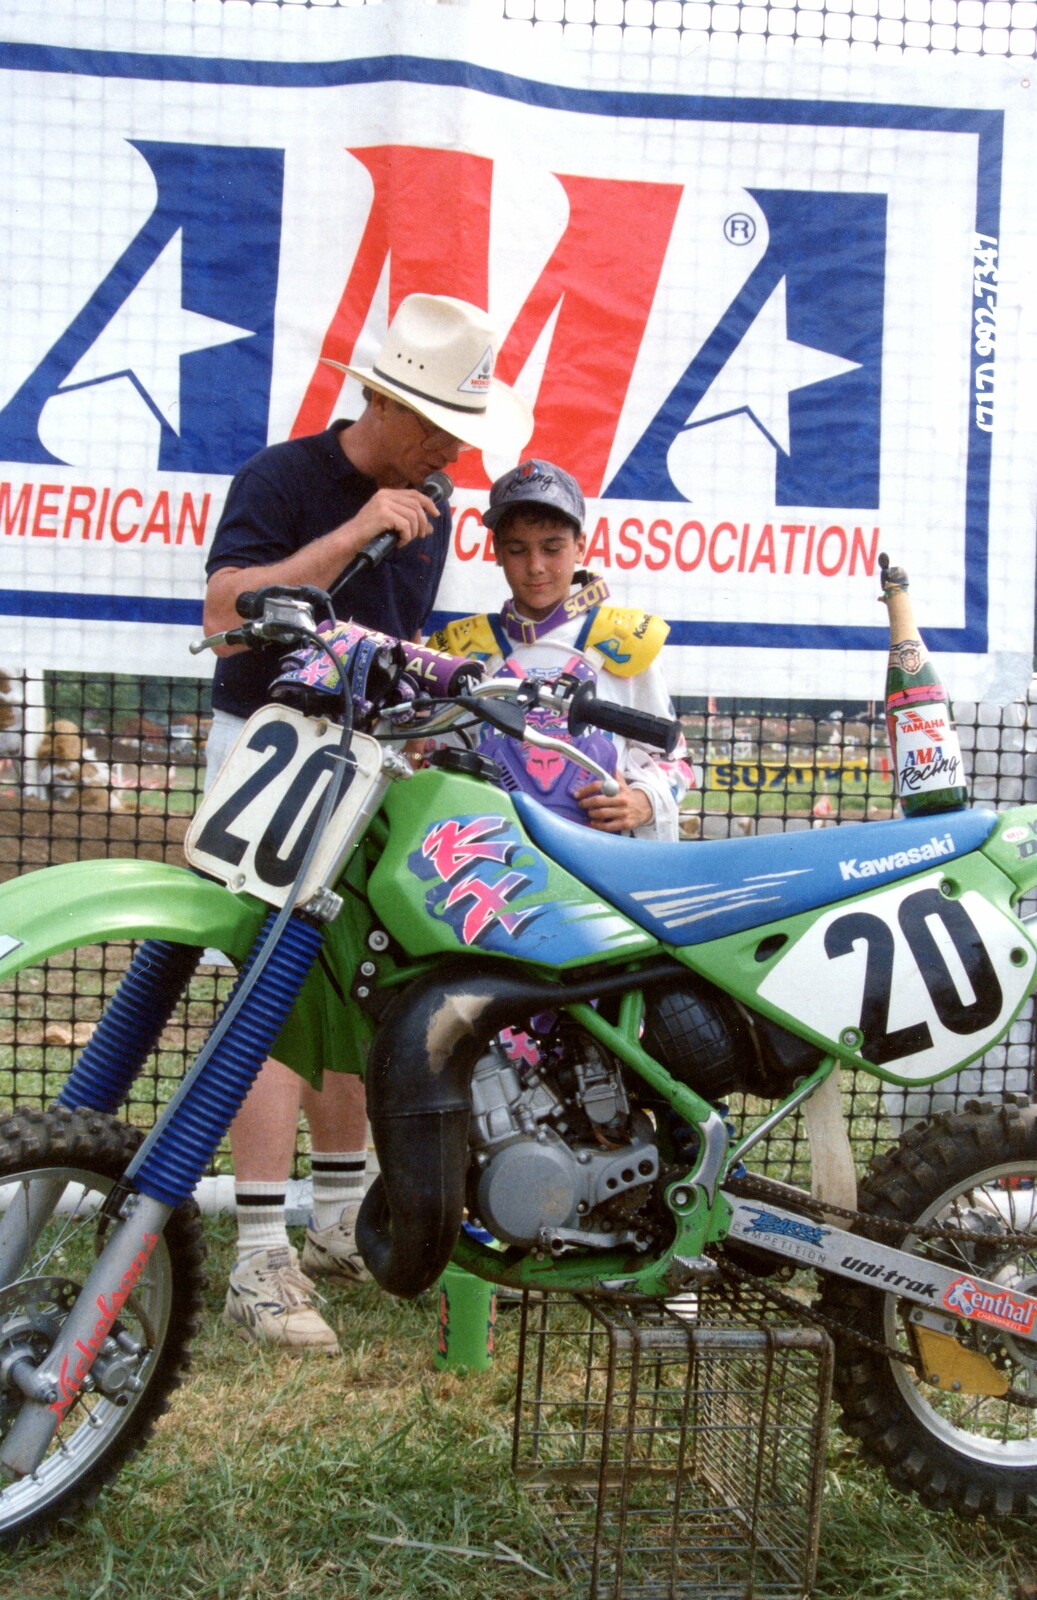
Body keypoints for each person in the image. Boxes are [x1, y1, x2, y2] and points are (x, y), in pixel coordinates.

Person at [201, 294, 533, 1352]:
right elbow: (223, 617)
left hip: (366, 770)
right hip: (269, 757)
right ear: (381, 397)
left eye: (458, 431)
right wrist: (351, 531)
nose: (448, 449)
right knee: (266, 997)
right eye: (435, 421)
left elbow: (380, 644)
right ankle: (257, 1250)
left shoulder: (427, 501)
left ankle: (339, 1211)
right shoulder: (285, 480)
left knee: (357, 986)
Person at [428, 458, 690, 840]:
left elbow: (677, 761)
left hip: (599, 860)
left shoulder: (625, 641)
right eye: (518, 550)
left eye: (552, 548)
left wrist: (643, 801)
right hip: (493, 855)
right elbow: (432, 759)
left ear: (580, 545)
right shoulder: (462, 651)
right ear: (496, 551)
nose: (535, 566)